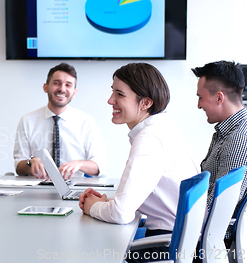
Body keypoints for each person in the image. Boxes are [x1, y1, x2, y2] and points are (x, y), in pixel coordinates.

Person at [79, 63, 198, 262]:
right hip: (178, 240)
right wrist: (106, 202)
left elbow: (121, 214)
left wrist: (91, 207)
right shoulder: (163, 129)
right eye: (112, 92)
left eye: (120, 94)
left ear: (145, 103)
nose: (110, 100)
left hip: (164, 245)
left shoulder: (149, 139)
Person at [13, 62, 107, 179]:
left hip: (76, 187)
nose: (62, 89)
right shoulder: (27, 120)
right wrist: (32, 161)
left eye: (68, 85)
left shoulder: (86, 122)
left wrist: (79, 164)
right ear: (45, 87)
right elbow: (19, 166)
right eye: (56, 83)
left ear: (74, 92)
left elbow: (100, 165)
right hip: (38, 186)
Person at [192, 61, 247, 248]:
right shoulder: (228, 131)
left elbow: (220, 207)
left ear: (219, 98)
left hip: (209, 242)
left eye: (200, 97)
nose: (199, 105)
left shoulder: (238, 138)